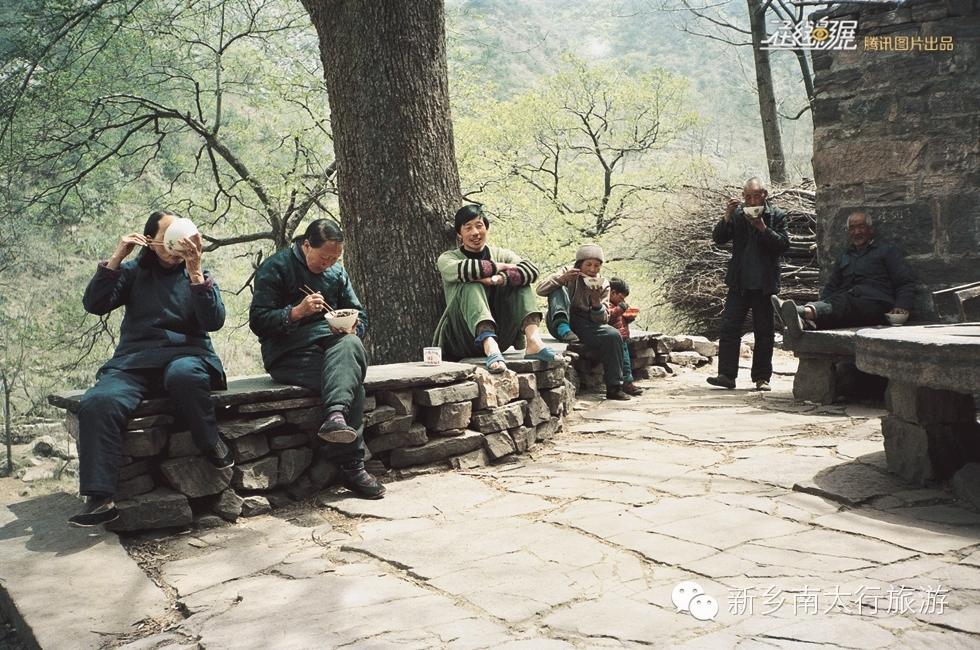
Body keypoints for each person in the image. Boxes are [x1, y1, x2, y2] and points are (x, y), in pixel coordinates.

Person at [71, 211, 231, 527]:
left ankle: (210, 441)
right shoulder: (133, 272)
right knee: (99, 401)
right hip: (135, 362)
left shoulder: (197, 273)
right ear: (150, 240)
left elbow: (214, 321)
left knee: (184, 375)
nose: (176, 244)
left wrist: (195, 272)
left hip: (187, 356)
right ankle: (100, 498)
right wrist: (117, 257)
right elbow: (95, 304)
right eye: (168, 237)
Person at [249, 219, 383, 500]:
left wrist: (354, 326)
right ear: (307, 245)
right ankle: (352, 466)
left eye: (335, 258)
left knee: (351, 343)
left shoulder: (336, 272)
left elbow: (359, 313)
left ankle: (335, 420)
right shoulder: (276, 267)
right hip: (288, 355)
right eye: (324, 258)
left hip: (332, 348)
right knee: (352, 385)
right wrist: (295, 313)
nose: (328, 264)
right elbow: (258, 321)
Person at [433, 204, 559, 372]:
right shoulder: (448, 259)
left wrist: (498, 279)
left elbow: (531, 271)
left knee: (520, 282)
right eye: (468, 228)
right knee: (471, 284)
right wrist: (500, 266)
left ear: (486, 228)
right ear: (459, 234)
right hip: (462, 339)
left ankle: (534, 341)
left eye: (479, 226)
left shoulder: (501, 253)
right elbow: (469, 270)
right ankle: (489, 345)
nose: (475, 232)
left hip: (501, 336)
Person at [707, 177, 790, 392]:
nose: (752, 201)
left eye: (756, 196)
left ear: (764, 195)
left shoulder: (777, 215)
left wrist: (762, 228)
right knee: (729, 328)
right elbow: (719, 238)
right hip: (739, 283)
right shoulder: (737, 215)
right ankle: (726, 375)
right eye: (748, 197)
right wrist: (727, 216)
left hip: (765, 284)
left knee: (764, 332)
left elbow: (783, 245)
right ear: (743, 198)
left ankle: (762, 378)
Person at [774, 211, 915, 334]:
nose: (857, 232)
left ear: (870, 229)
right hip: (846, 305)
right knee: (837, 305)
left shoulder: (886, 251)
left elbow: (904, 282)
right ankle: (804, 322)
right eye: (852, 228)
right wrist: (824, 303)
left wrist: (901, 306)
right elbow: (831, 285)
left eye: (861, 227)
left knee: (845, 303)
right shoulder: (845, 255)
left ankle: (799, 311)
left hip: (875, 305)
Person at [537, 244, 631, 401]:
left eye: (597, 265)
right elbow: (540, 290)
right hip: (559, 318)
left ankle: (615, 387)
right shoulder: (567, 272)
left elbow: (603, 319)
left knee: (613, 335)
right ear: (580, 264)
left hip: (586, 322)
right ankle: (563, 328)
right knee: (558, 288)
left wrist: (596, 302)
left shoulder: (603, 284)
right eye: (588, 264)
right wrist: (562, 279)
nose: (592, 269)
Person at [608, 277, 643, 396]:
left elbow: (620, 320)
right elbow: (609, 317)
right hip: (616, 339)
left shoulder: (616, 305)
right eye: (621, 297)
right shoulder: (607, 304)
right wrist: (621, 309)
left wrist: (629, 317)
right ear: (613, 293)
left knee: (626, 362)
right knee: (624, 363)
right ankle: (627, 384)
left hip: (623, 338)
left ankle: (627, 383)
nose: (622, 301)